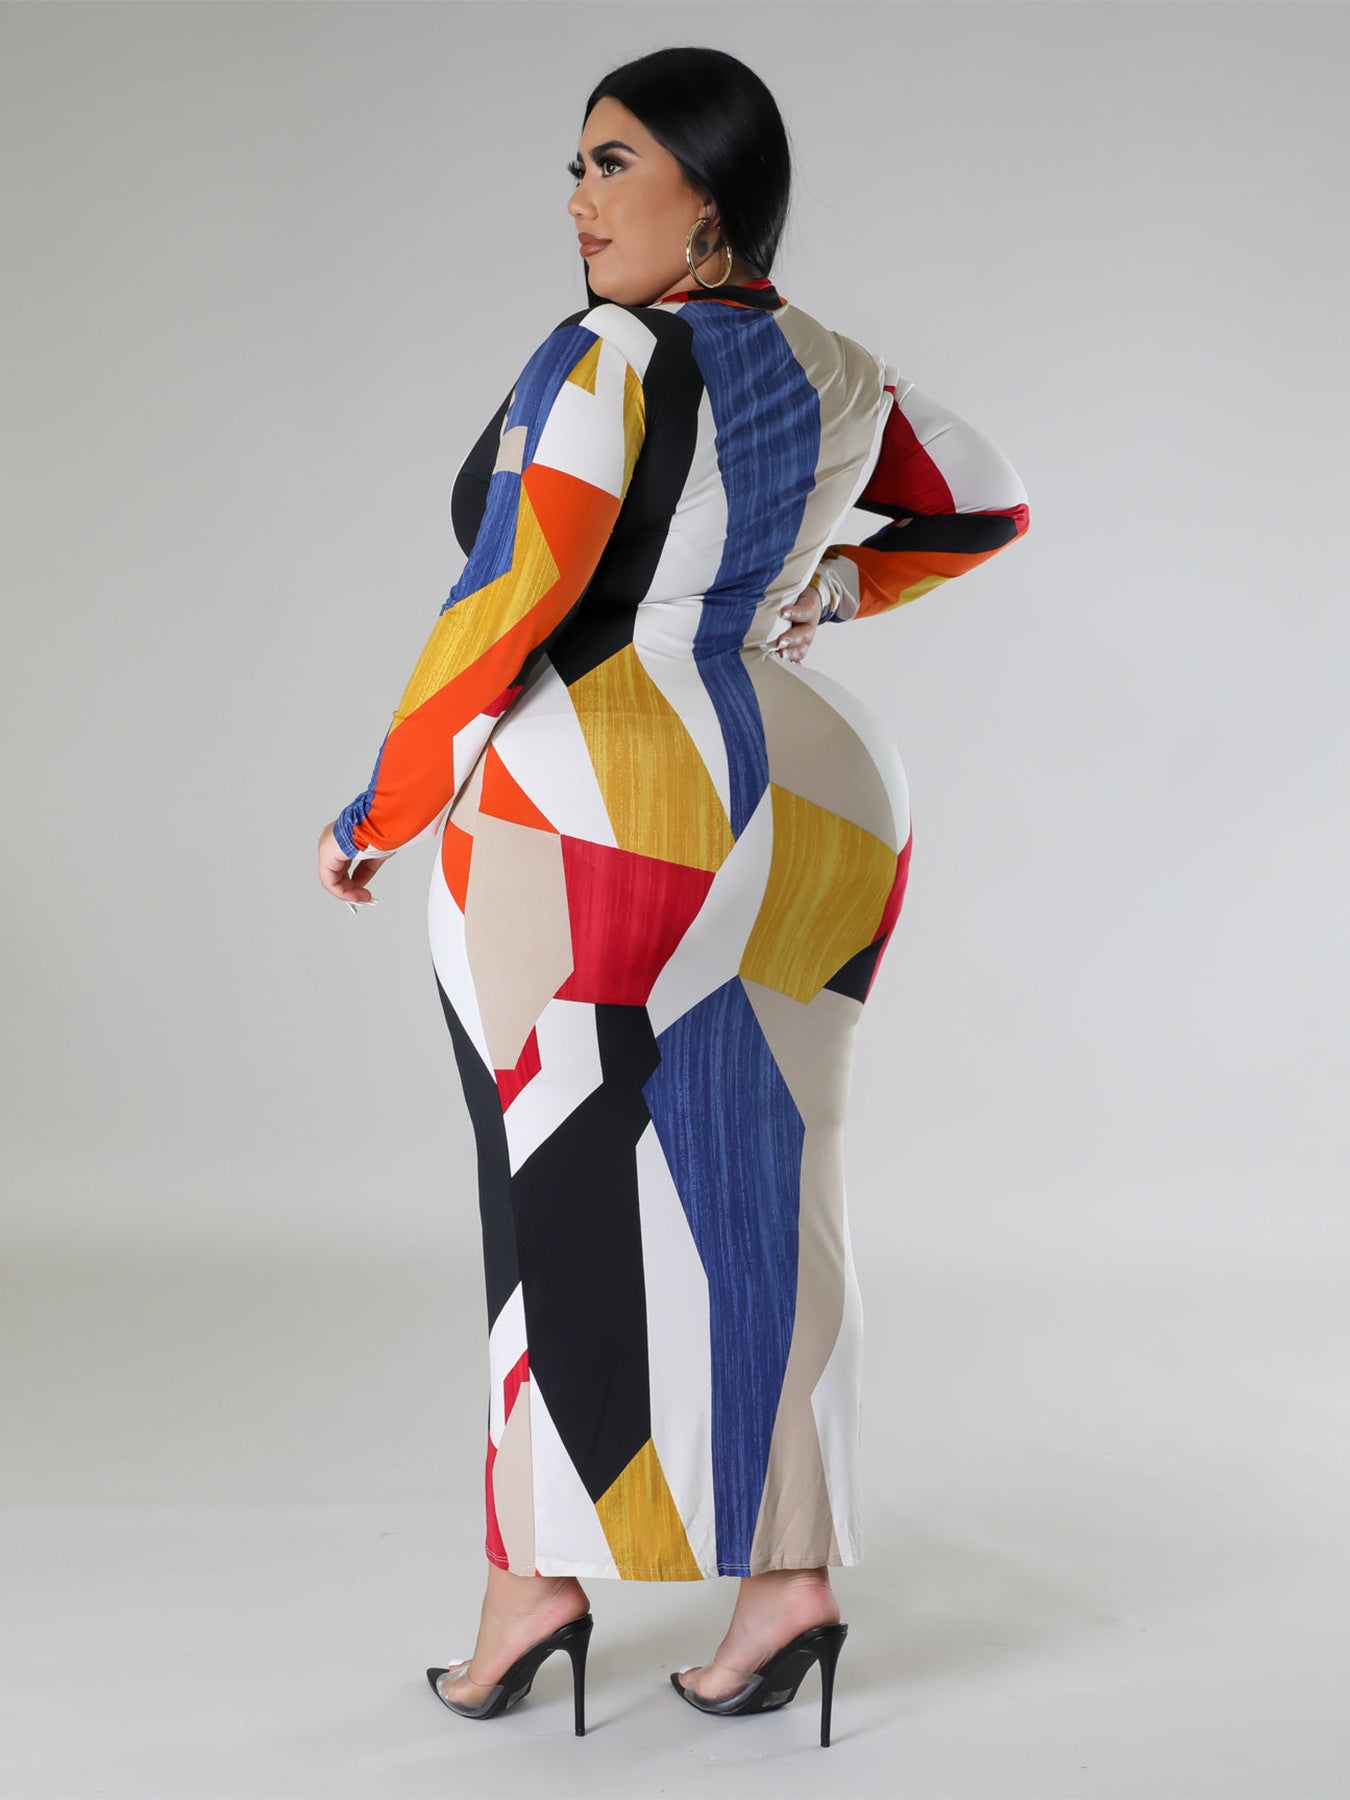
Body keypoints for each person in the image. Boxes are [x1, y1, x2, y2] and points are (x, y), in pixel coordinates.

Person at [316, 46, 1029, 1747]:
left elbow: (513, 592)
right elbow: (981, 501)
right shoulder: (837, 364)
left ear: (708, 193)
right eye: (574, 166)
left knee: (548, 1176)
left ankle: (534, 1590)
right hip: (819, 798)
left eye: (611, 162)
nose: (576, 200)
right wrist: (822, 591)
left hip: (596, 792)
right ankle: (787, 1588)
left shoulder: (604, 354)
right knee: (771, 1179)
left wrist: (381, 809)